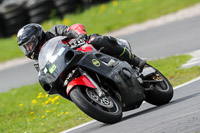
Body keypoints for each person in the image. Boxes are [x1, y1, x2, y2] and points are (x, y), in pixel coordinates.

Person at [17, 23, 146, 72]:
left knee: (97, 40)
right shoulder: (40, 60)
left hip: (83, 48)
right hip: (71, 66)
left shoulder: (54, 31)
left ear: (37, 37)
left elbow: (73, 28)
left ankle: (135, 60)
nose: (28, 49)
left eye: (29, 45)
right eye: (25, 47)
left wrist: (79, 36)